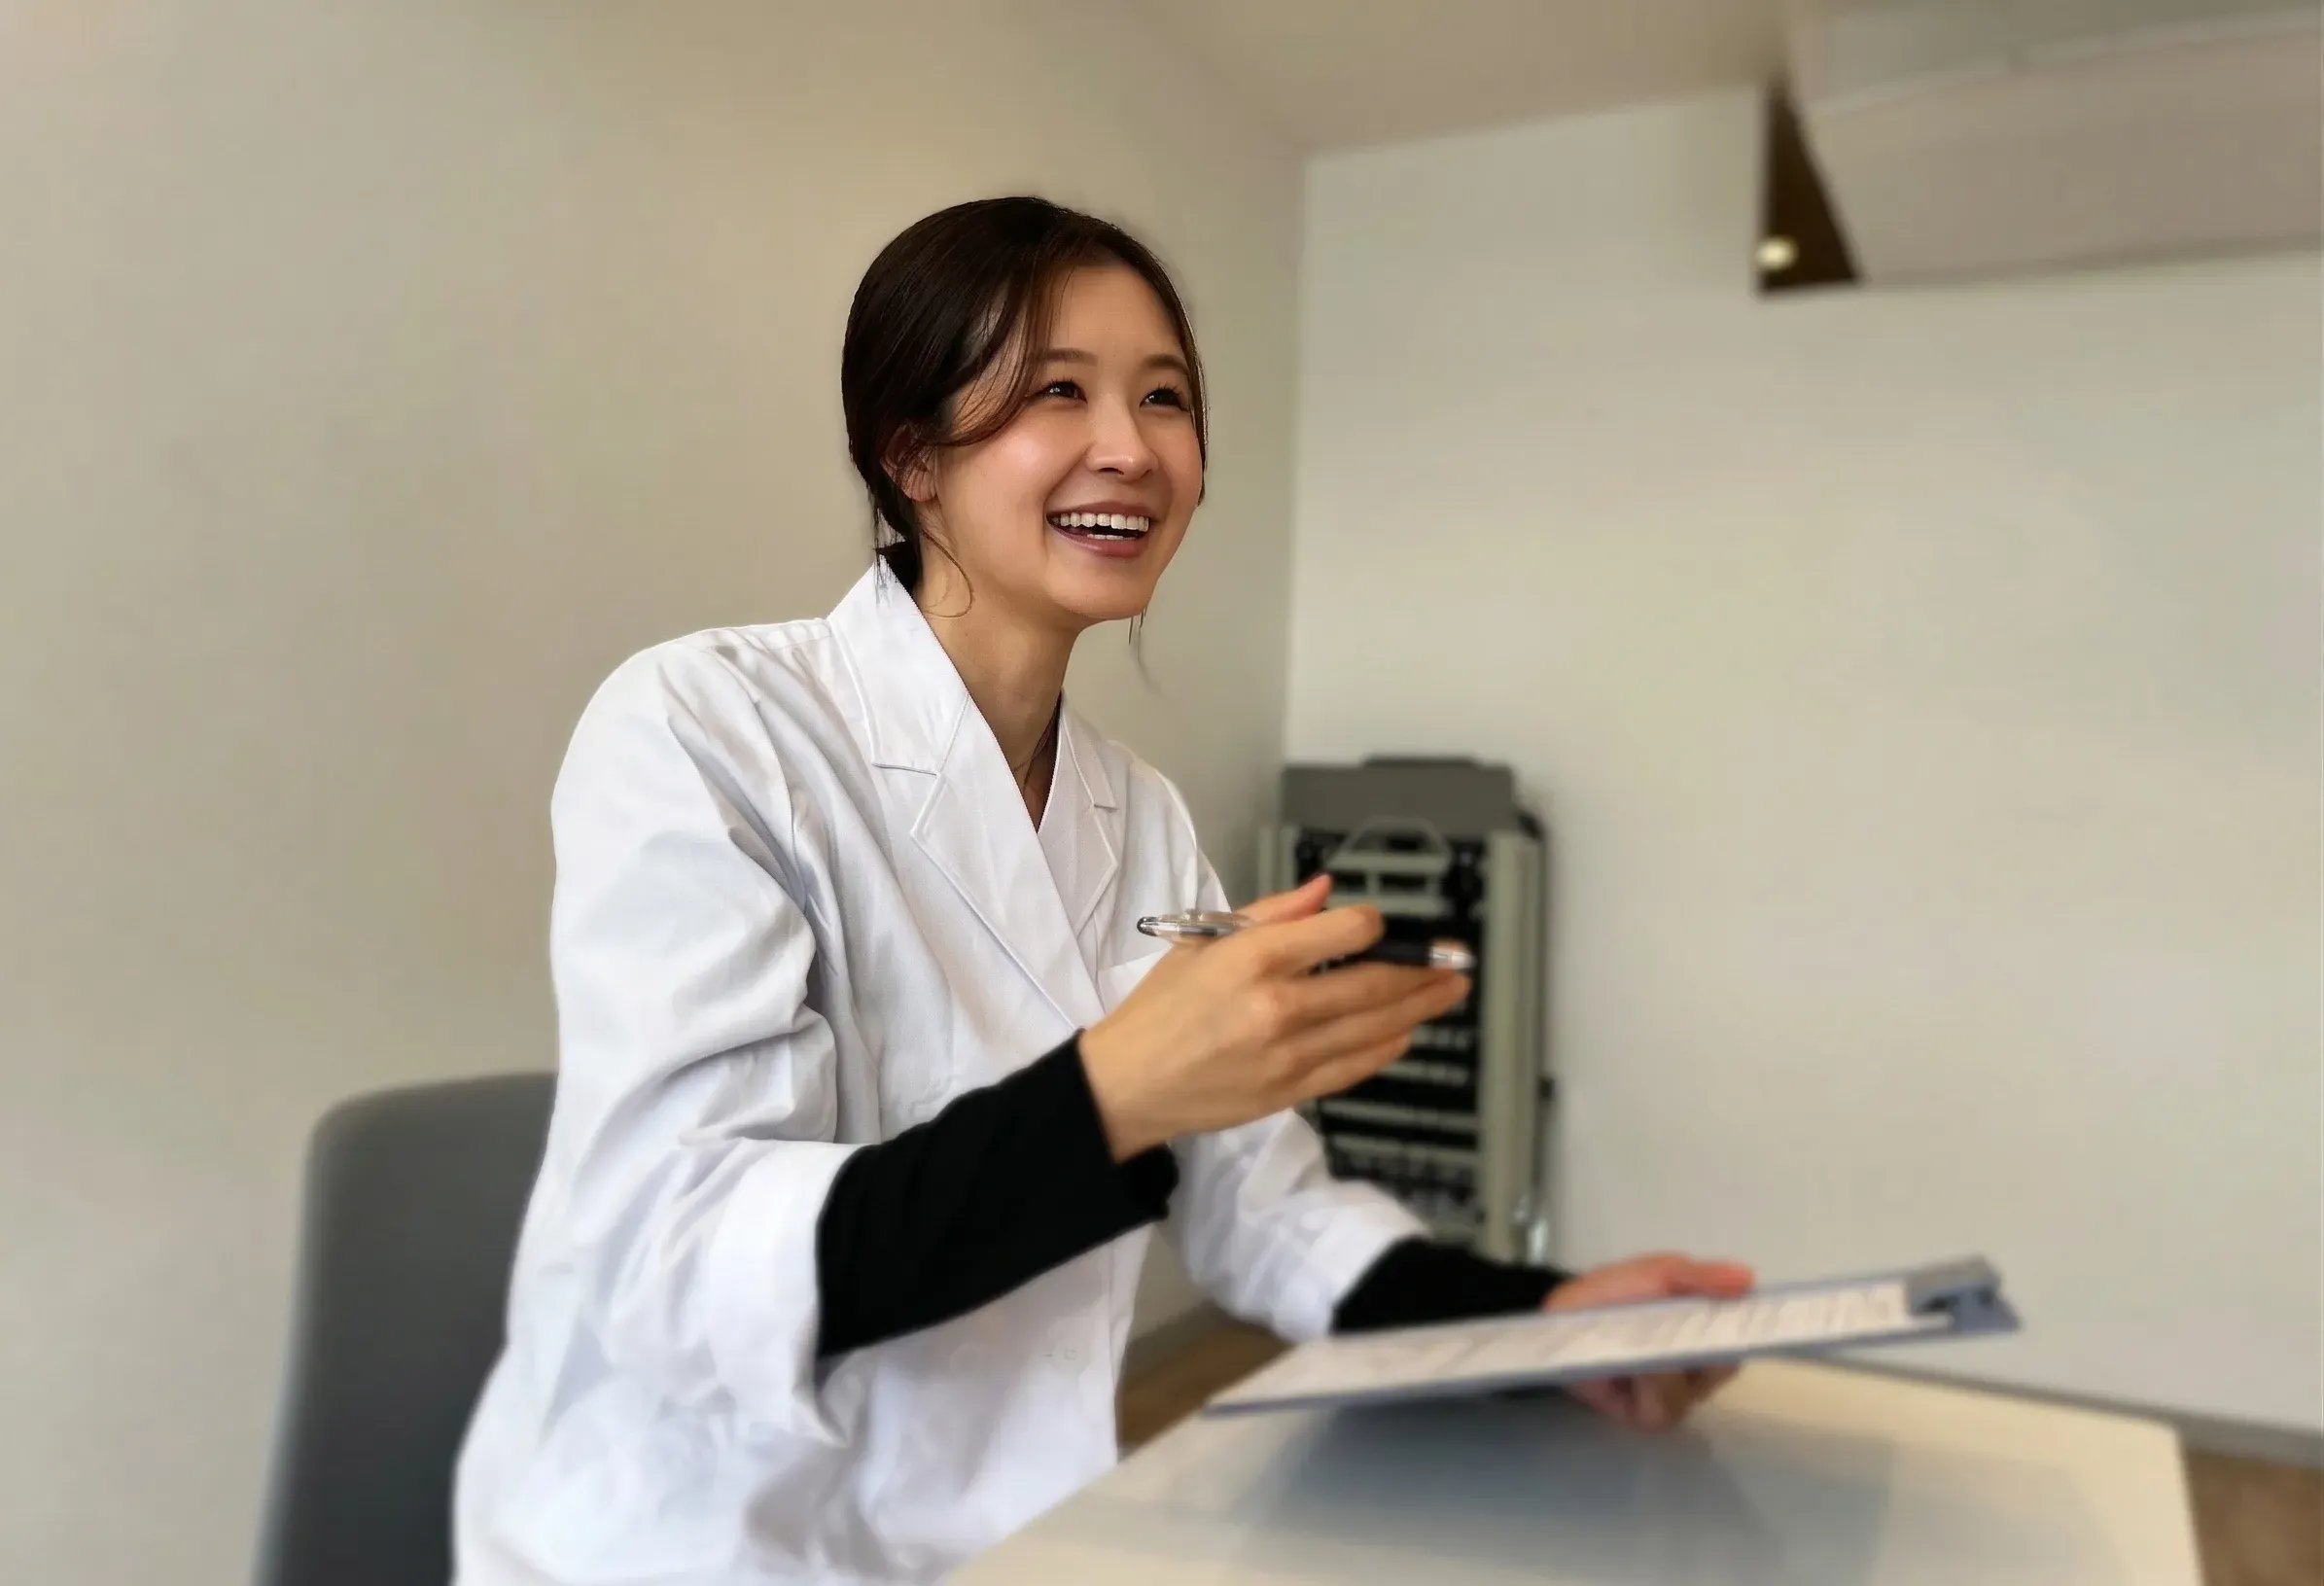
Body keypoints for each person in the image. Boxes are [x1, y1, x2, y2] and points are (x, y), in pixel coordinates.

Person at [452, 195, 1753, 1586]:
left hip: (1007, 1538)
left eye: (1165, 397)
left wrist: (1545, 1320)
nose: (1131, 448)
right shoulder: (708, 725)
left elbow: (1266, 1212)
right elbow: (682, 1261)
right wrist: (1114, 1093)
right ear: (911, 455)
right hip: (691, 1542)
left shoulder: (1142, 818)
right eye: (1055, 390)